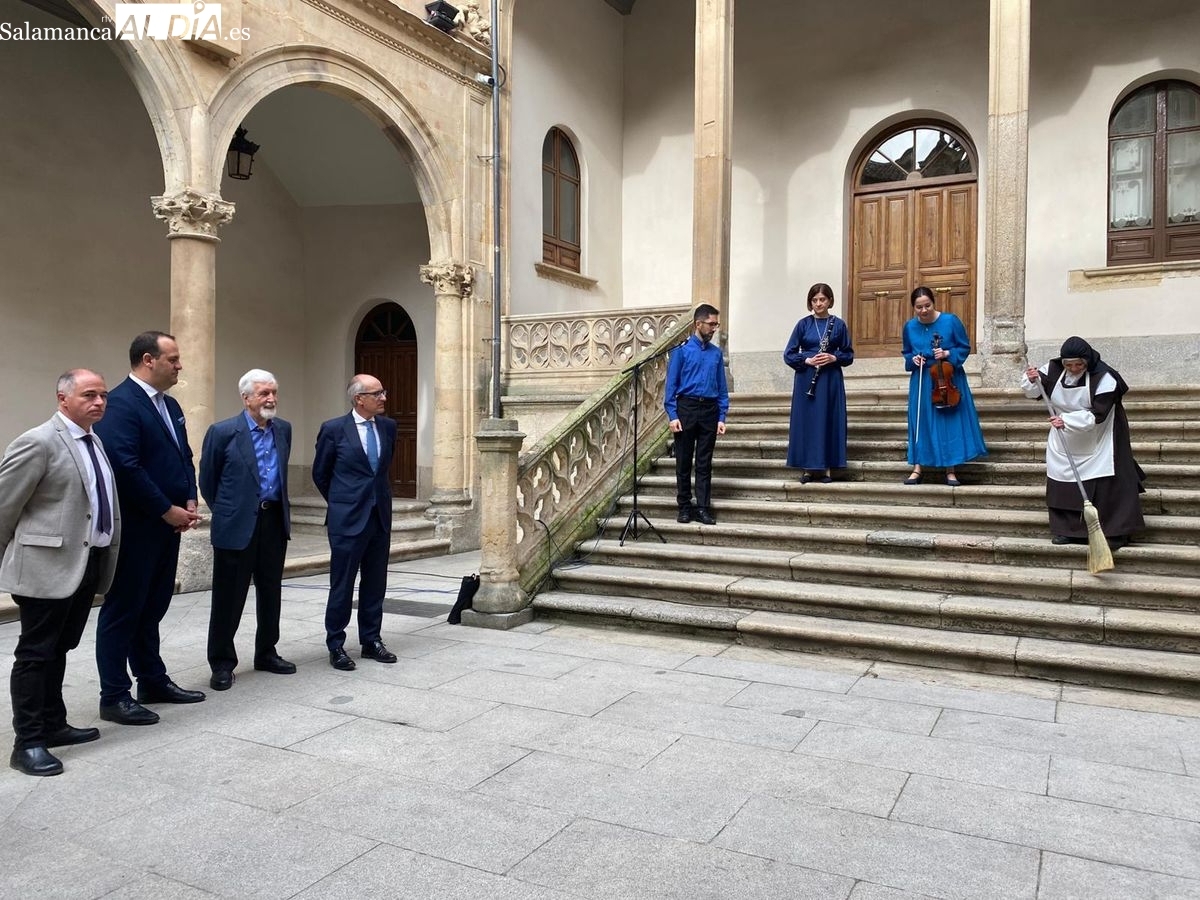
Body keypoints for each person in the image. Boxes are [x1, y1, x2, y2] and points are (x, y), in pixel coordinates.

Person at [0, 371, 119, 776]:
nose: (100, 402)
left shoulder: (94, 440)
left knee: (60, 647)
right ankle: (28, 741)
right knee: (35, 653)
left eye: (103, 395)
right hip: (44, 567)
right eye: (90, 395)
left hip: (84, 564)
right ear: (62, 398)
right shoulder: (39, 441)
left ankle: (53, 723)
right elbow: (4, 506)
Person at [93, 331, 204, 726]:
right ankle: (114, 694)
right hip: (138, 527)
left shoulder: (170, 406)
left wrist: (189, 497)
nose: (179, 365)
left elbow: (183, 456)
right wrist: (164, 509)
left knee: (153, 606)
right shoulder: (120, 404)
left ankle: (152, 680)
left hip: (167, 525)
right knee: (124, 608)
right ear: (147, 360)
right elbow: (125, 466)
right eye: (172, 359)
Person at [200, 369, 296, 691]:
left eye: (274, 392)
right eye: (263, 393)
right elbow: (208, 481)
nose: (271, 399)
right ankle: (222, 663)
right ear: (246, 398)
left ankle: (267, 652)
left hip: (273, 523)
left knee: (271, 593)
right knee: (229, 598)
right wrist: (229, 512)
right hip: (237, 525)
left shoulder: (283, 430)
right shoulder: (223, 432)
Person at [1021, 337, 1145, 549]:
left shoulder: (1105, 378)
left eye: (1079, 364)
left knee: (1106, 481)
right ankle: (1067, 530)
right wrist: (1032, 380)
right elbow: (1033, 393)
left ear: (1087, 360)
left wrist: (1067, 420)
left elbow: (1099, 413)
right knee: (1062, 480)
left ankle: (1114, 531)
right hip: (1064, 433)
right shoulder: (1051, 369)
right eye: (1068, 365)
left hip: (1099, 431)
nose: (1074, 368)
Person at [313, 374, 398, 670]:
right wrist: (341, 502)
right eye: (377, 393)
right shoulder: (334, 429)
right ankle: (336, 643)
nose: (383, 398)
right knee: (343, 583)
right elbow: (320, 474)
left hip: (379, 517)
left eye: (383, 391)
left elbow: (382, 471)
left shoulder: (388, 427)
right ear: (359, 398)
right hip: (347, 519)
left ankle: (371, 640)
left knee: (375, 582)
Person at [901, 286, 987, 486]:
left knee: (948, 421)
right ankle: (917, 467)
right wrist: (912, 359)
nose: (924, 311)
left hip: (947, 375)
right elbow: (906, 352)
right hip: (922, 379)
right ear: (913, 307)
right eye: (919, 307)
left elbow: (964, 346)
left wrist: (947, 354)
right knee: (920, 421)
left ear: (934, 302)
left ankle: (951, 469)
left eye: (927, 305)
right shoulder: (909, 327)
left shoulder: (950, 321)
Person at [664, 303, 729, 525]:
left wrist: (722, 416)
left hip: (709, 410)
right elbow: (671, 387)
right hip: (686, 409)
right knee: (683, 461)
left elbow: (722, 387)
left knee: (704, 462)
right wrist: (673, 415)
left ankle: (702, 508)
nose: (714, 329)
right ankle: (684, 506)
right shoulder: (680, 351)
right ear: (698, 324)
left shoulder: (716, 354)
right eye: (711, 324)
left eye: (716, 325)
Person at [783, 283, 854, 483]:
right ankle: (807, 468)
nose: (818, 303)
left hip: (830, 379)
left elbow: (848, 354)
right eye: (814, 300)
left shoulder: (838, 324)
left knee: (827, 420)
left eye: (822, 299)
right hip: (807, 377)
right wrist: (806, 360)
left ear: (830, 301)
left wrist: (833, 358)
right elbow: (788, 354)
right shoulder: (803, 324)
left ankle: (826, 468)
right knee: (808, 422)